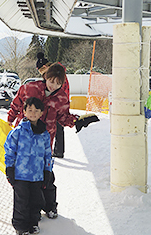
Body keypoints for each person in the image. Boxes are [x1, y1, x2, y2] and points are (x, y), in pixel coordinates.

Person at [8, 62, 98, 218]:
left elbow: (63, 117)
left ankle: (50, 206)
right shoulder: (30, 88)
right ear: (45, 77)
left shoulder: (61, 97)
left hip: (45, 140)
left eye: (58, 83)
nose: (53, 86)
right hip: (25, 140)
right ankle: (27, 210)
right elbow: (16, 104)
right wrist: (10, 119)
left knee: (46, 175)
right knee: (24, 177)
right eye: (51, 81)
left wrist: (76, 121)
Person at [4, 97, 53, 235]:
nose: (33, 113)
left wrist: (47, 171)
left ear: (41, 113)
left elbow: (47, 154)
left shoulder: (44, 134)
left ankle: (33, 223)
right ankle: (21, 225)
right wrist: (10, 168)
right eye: (29, 110)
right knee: (21, 201)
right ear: (24, 111)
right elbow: (10, 151)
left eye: (36, 111)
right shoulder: (17, 132)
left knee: (36, 200)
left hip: (37, 175)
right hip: (21, 174)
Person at [36, 52, 65, 158]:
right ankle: (57, 151)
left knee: (57, 128)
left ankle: (58, 151)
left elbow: (62, 92)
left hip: (57, 106)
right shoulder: (55, 74)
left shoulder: (56, 75)